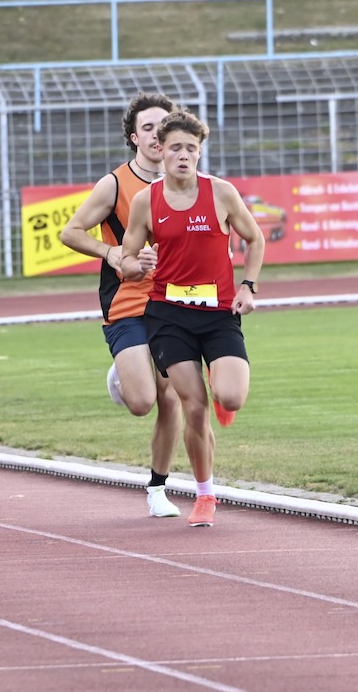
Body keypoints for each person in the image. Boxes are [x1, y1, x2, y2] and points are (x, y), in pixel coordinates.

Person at [119, 110, 264, 528]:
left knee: (231, 397)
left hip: (218, 314)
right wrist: (139, 263)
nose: (183, 155)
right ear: (160, 150)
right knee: (193, 408)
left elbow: (255, 239)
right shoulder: (146, 201)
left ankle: (222, 388)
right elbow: (126, 261)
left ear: (200, 153)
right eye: (176, 148)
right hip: (168, 317)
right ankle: (205, 495)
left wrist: (247, 287)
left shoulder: (221, 193)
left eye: (191, 149)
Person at [60, 92, 184, 518]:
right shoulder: (114, 184)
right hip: (128, 299)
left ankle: (158, 488)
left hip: (173, 303)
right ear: (134, 137)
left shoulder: (187, 182)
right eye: (148, 128)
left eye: (163, 126)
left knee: (172, 397)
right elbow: (71, 232)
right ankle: (123, 374)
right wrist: (110, 253)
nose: (157, 135)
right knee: (142, 402)